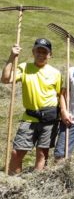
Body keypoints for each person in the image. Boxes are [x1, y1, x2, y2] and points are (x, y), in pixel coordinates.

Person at [1, 38, 62, 174]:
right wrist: (12, 56)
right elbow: (5, 79)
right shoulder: (24, 67)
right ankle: (14, 183)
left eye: (44, 52)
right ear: (33, 52)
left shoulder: (56, 73)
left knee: (42, 154)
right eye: (38, 51)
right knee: (17, 152)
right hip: (29, 118)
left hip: (49, 119)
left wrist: (62, 112)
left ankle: (36, 182)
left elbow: (60, 95)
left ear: (50, 55)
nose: (41, 54)